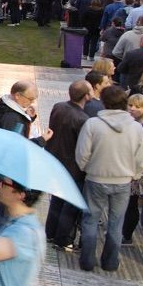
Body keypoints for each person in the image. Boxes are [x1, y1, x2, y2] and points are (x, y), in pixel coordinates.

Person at [74, 85, 143, 273]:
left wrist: (87, 168)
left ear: (104, 102)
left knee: (90, 220)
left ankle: (87, 260)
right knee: (116, 223)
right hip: (123, 181)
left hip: (96, 178)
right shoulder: (136, 127)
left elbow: (82, 153)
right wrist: (136, 175)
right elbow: (141, 157)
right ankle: (110, 262)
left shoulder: (93, 124)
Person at [45, 80, 92, 251]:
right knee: (70, 204)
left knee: (56, 200)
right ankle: (63, 239)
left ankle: (50, 232)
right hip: (72, 166)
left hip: (55, 160)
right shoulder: (82, 119)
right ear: (86, 95)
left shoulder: (59, 106)